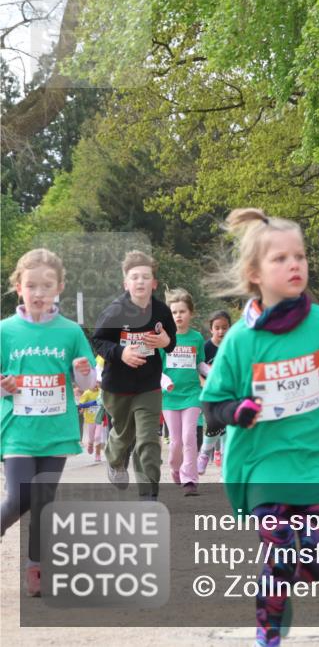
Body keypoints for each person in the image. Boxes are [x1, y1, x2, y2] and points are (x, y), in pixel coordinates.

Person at [200, 208, 319, 647]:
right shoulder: (241, 338)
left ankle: (278, 584)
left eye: (300, 256)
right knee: (280, 555)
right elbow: (211, 406)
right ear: (255, 274)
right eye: (280, 259)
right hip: (261, 465)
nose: (294, 264)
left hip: (309, 464)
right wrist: (237, 411)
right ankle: (268, 634)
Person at [0, 249, 97, 596]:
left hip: (57, 431)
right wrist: (3, 384)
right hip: (17, 430)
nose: (39, 293)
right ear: (18, 287)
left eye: (47, 286)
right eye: (31, 285)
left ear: (60, 288)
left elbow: (88, 384)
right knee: (18, 497)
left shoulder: (70, 332)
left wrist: (82, 373)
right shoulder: (5, 331)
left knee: (43, 499)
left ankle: (36, 567)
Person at [92, 250, 177, 497]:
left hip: (149, 385)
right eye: (135, 277)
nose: (140, 281)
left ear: (154, 283)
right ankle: (115, 458)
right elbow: (98, 341)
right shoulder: (115, 311)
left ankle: (149, 494)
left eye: (145, 277)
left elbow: (170, 342)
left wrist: (165, 342)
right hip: (117, 386)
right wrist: (121, 353)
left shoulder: (162, 311)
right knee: (124, 434)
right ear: (126, 283)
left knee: (148, 439)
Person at [160, 288, 210, 496]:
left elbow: (200, 364)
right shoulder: (163, 338)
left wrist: (211, 373)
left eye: (182, 311)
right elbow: (156, 368)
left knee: (190, 436)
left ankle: (190, 479)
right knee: (176, 444)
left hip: (191, 394)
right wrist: (165, 381)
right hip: (170, 397)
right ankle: (175, 468)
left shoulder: (196, 338)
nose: (178, 316)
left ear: (191, 313)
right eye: (174, 312)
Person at [197, 309, 231, 473]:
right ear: (211, 329)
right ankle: (204, 453)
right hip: (209, 393)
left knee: (227, 426)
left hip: (228, 393)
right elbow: (196, 370)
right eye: (217, 328)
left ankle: (225, 460)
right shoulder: (205, 347)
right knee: (213, 424)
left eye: (224, 328)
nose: (221, 331)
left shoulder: (232, 346)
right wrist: (204, 383)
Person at [78, 385, 103, 461]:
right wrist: (82, 409)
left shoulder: (101, 392)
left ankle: (97, 453)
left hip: (100, 418)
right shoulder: (87, 393)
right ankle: (90, 444)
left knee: (97, 437)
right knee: (92, 438)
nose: (95, 385)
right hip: (90, 419)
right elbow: (81, 404)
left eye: (96, 383)